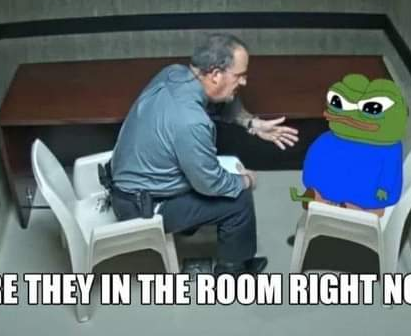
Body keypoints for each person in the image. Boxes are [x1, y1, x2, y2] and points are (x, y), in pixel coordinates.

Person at [109, 33, 299, 274]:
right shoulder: (191, 121)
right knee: (238, 198)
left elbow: (223, 101)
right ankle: (231, 272)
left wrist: (252, 124)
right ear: (216, 74)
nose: (244, 82)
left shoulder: (174, 73)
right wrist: (246, 180)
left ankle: (204, 234)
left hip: (130, 184)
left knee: (222, 176)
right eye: (239, 75)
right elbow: (210, 184)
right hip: (141, 206)